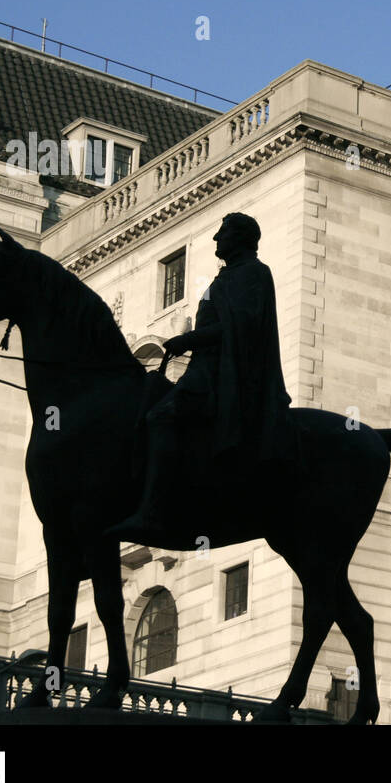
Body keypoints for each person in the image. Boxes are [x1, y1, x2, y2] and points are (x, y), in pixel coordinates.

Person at [110, 212, 293, 541]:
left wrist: (188, 340)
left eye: (222, 233)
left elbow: (242, 329)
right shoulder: (222, 279)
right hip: (202, 369)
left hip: (223, 374)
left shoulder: (254, 273)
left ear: (240, 238)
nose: (215, 240)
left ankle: (153, 511)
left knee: (160, 418)